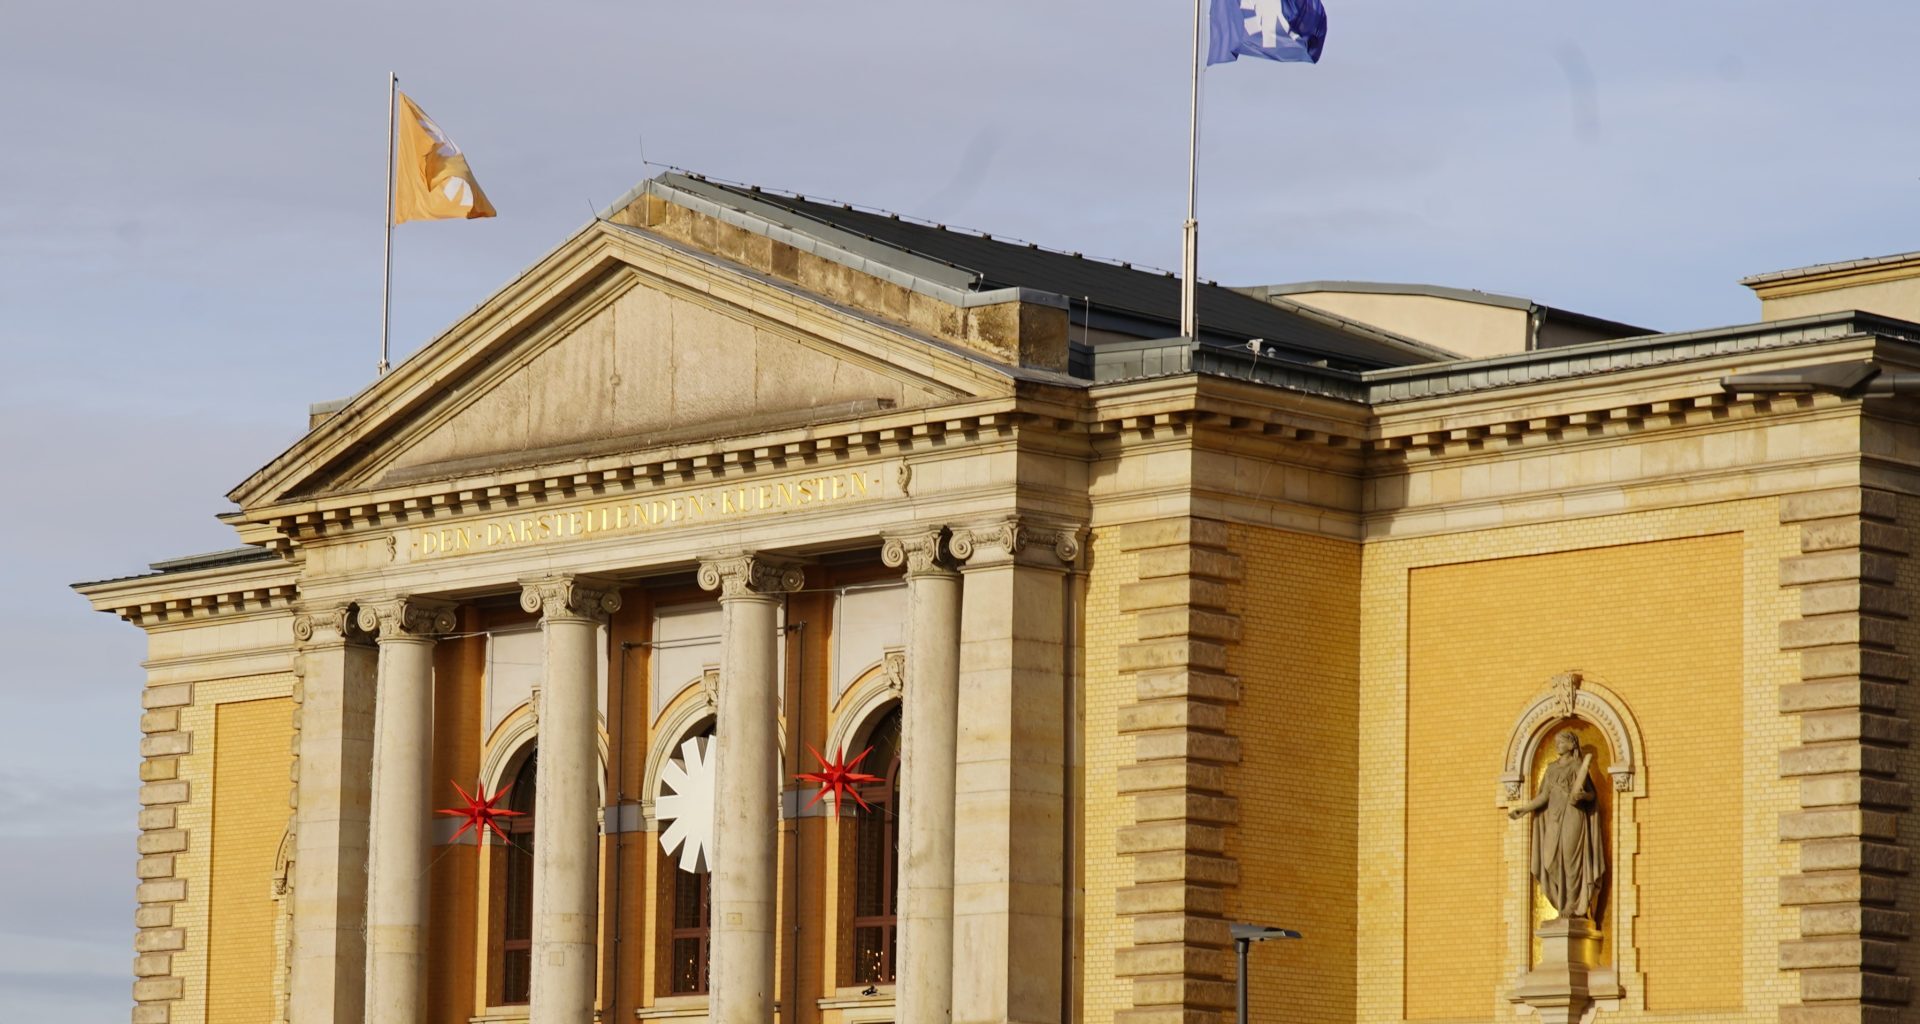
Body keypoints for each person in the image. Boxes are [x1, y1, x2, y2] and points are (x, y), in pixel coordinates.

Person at [1508, 730, 1605, 919]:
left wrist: (1582, 795)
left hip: (1573, 816)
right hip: (1553, 818)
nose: (1557, 745)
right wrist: (1525, 809)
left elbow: (1592, 794)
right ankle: (1563, 899)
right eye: (1556, 742)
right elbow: (1544, 795)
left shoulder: (1578, 765)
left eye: (1561, 742)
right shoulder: (1551, 769)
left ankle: (1572, 903)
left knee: (1571, 861)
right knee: (1549, 860)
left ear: (1571, 745)